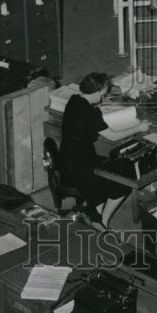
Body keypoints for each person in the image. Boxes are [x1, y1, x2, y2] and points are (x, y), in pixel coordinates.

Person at [56, 72, 130, 229]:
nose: (103, 97)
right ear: (98, 90)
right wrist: (139, 127)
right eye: (103, 93)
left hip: (65, 160)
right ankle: (101, 220)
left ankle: (97, 216)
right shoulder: (92, 113)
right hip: (80, 167)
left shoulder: (74, 101)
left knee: (114, 169)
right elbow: (113, 136)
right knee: (124, 182)